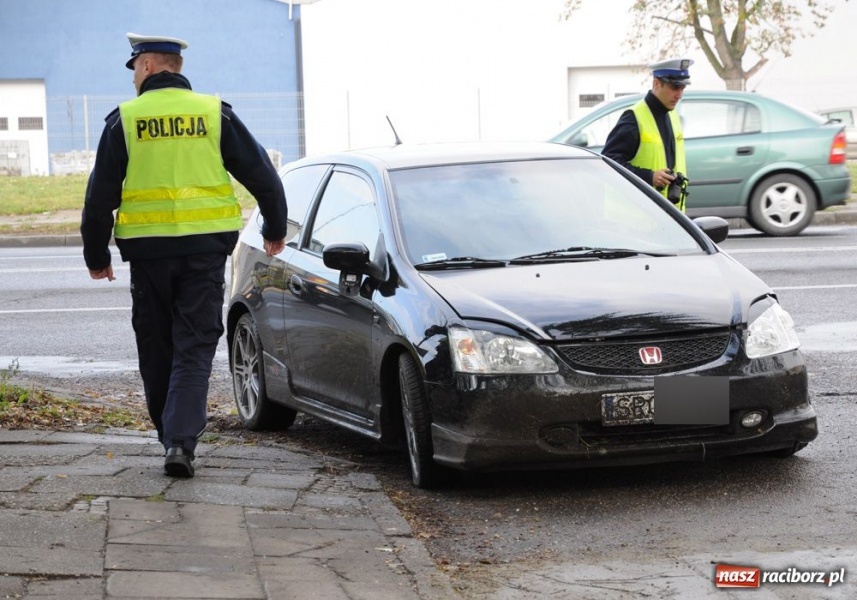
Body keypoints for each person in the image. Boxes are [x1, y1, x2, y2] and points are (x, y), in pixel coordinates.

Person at [81, 33, 288, 478]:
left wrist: (96, 255)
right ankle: (181, 442)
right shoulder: (214, 114)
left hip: (149, 256)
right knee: (194, 347)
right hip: (204, 253)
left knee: (156, 347)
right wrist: (273, 227)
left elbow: (99, 198)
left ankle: (169, 435)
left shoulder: (126, 119)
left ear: (151, 67)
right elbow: (262, 175)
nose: (134, 76)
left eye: (135, 67)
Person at [601, 58, 692, 212]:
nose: (679, 95)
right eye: (675, 87)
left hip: (669, 216)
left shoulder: (672, 115)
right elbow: (609, 162)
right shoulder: (633, 117)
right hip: (637, 220)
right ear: (656, 83)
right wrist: (649, 177)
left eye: (682, 88)